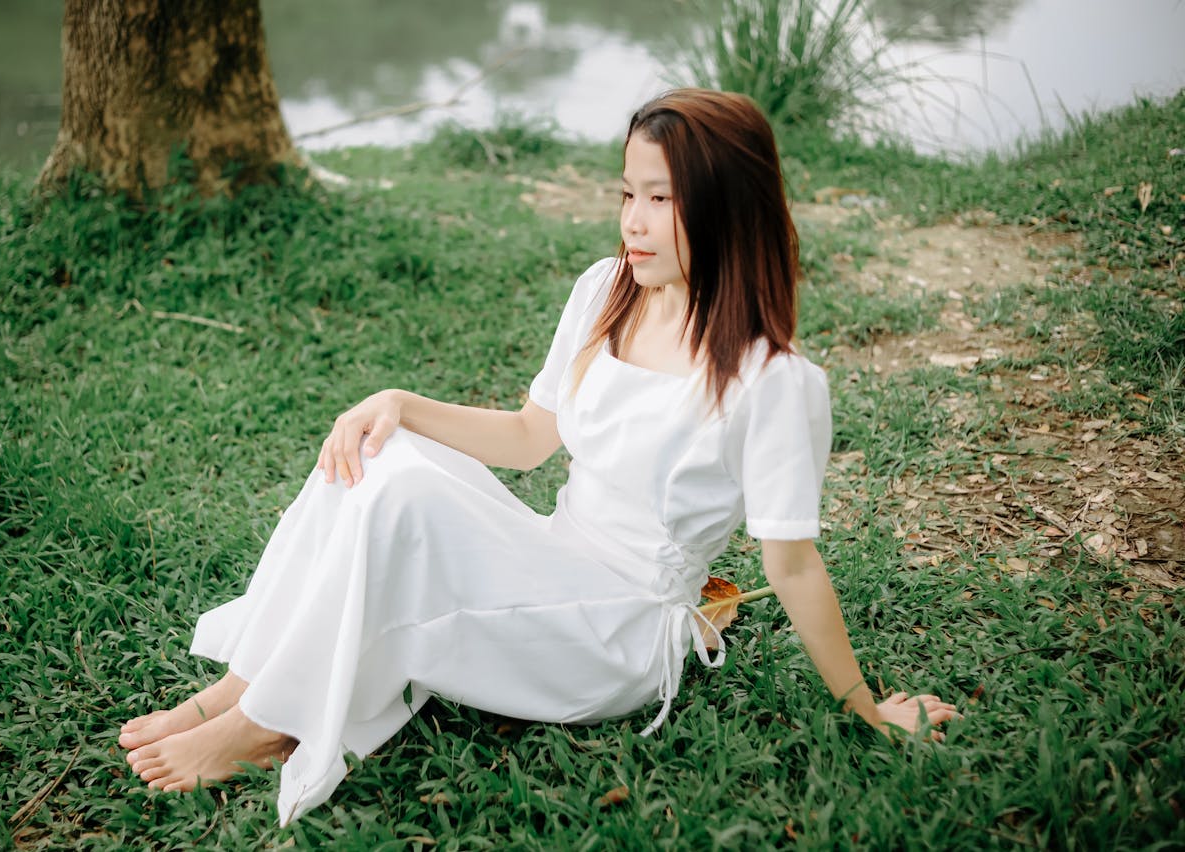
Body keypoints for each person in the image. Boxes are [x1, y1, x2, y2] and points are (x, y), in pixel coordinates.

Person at [118, 88, 958, 825]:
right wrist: (400, 405)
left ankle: (264, 721)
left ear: (727, 206)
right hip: (556, 555)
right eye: (628, 192)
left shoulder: (773, 381)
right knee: (383, 453)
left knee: (408, 507)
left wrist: (870, 711)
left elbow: (794, 567)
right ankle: (248, 684)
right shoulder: (606, 290)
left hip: (620, 630)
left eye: (661, 198)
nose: (633, 219)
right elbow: (528, 440)